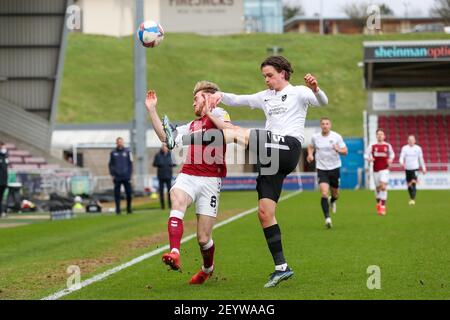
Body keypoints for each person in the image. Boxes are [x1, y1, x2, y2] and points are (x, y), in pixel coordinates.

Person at [195, 55, 328, 287]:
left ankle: (189, 134)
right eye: (264, 76)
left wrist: (316, 89)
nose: (266, 80)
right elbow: (239, 99)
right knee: (265, 212)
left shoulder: (298, 92)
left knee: (237, 133)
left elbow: (323, 102)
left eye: (270, 75)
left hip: (287, 146)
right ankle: (281, 268)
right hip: (269, 156)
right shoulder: (265, 97)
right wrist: (220, 96)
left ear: (283, 73)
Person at [145, 80, 231, 285]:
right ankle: (175, 251)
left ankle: (207, 269)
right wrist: (152, 111)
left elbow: (226, 131)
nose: (193, 103)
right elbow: (166, 139)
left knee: (203, 239)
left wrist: (209, 111)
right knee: (177, 199)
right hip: (189, 175)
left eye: (196, 99)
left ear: (209, 98)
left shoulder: (219, 114)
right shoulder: (191, 126)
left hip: (211, 180)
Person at [307, 118, 348, 229]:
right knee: (324, 193)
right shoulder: (315, 137)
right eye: (323, 124)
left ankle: (332, 201)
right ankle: (327, 219)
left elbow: (345, 151)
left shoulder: (336, 137)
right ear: (320, 125)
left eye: (327, 123)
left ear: (330, 125)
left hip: (334, 168)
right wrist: (310, 154)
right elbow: (310, 146)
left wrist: (338, 149)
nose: (325, 125)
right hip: (322, 169)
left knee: (335, 194)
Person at [365, 129, 395, 215]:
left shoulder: (387, 145)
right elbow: (365, 154)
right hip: (375, 170)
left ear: (384, 136)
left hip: (385, 169)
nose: (380, 136)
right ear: (376, 136)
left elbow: (392, 154)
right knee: (378, 188)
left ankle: (383, 207)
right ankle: (378, 203)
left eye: (381, 134)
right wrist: (369, 158)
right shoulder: (372, 145)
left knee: (383, 186)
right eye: (378, 134)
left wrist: (390, 159)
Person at [108, 137, 133, 215]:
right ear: (116, 143)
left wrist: (130, 174)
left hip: (126, 176)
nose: (120, 143)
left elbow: (130, 164)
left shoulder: (128, 152)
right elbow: (110, 164)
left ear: (123, 142)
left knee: (129, 193)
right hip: (117, 176)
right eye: (118, 142)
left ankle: (129, 209)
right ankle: (118, 210)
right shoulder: (113, 153)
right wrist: (112, 174)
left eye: (121, 142)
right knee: (117, 194)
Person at [399, 135, 426, 205]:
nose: (411, 141)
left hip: (415, 168)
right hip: (407, 169)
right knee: (409, 185)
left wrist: (423, 168)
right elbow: (401, 156)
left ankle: (412, 199)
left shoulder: (418, 148)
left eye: (412, 140)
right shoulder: (404, 148)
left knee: (413, 182)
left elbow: (421, 159)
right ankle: (411, 197)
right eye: (409, 140)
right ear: (407, 141)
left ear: (415, 141)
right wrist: (401, 162)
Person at [153, 143, 175, 209]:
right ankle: (162, 206)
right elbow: (154, 164)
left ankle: (170, 205)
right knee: (161, 191)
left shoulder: (171, 155)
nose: (164, 148)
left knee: (169, 191)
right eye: (163, 147)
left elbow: (175, 163)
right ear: (162, 148)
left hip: (168, 175)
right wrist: (160, 164)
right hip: (161, 176)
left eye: (165, 147)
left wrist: (170, 164)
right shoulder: (158, 155)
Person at [0, 141, 8, 216]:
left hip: (3, 181)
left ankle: (2, 211)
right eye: (2, 146)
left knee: (1, 197)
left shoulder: (5, 156)